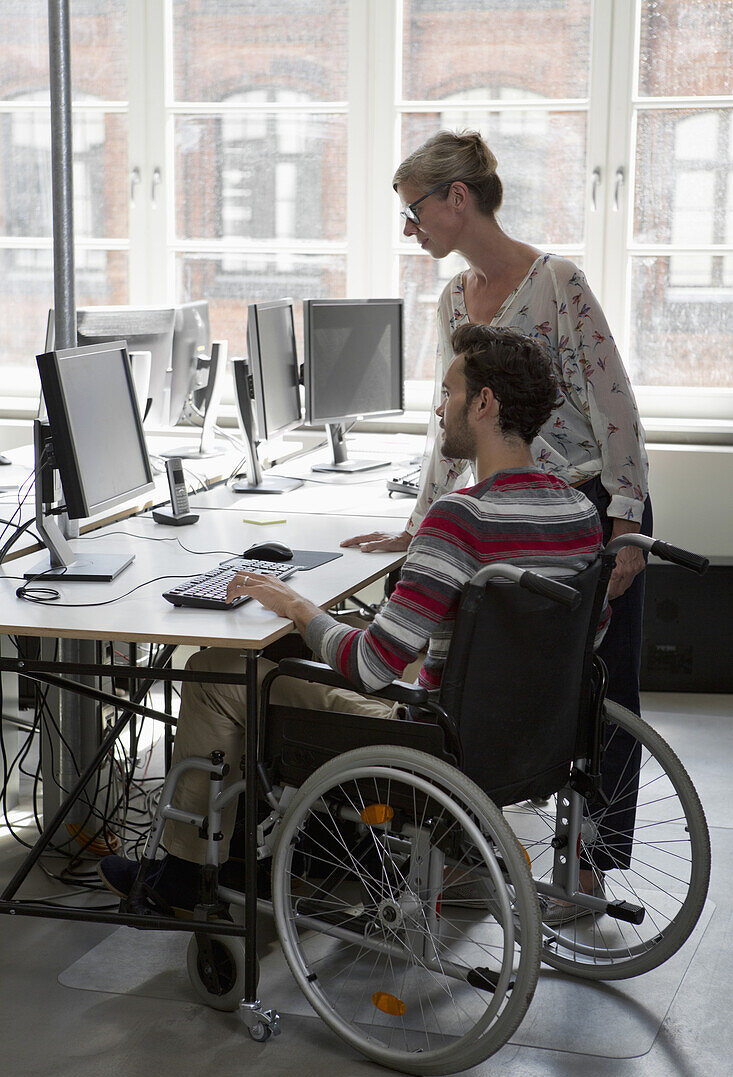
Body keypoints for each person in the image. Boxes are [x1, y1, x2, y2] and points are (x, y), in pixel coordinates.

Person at [98, 323, 607, 914]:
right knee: (283, 660)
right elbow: (582, 638)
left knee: (218, 672)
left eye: (449, 394)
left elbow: (370, 665)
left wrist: (297, 606)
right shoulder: (577, 510)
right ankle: (311, 845)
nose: (441, 411)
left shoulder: (459, 519)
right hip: (533, 734)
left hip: (436, 739)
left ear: (485, 403)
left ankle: (184, 877)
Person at [343, 133, 652, 843]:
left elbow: (615, 409)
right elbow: (446, 422)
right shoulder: (454, 299)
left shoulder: (555, 283)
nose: (408, 227)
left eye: (414, 209)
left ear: (458, 198)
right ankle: (463, 828)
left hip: (590, 505)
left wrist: (627, 527)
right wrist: (421, 523)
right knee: (507, 676)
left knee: (600, 686)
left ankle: (596, 858)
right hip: (508, 503)